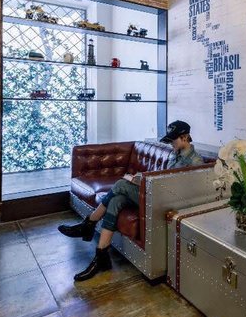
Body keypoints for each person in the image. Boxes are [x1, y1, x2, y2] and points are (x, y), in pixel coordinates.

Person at [58, 120, 204, 281]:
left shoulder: (195, 162)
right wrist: (140, 178)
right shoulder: (175, 154)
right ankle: (101, 256)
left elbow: (185, 192)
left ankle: (89, 223)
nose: (171, 144)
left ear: (185, 137)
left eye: (173, 140)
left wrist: (144, 182)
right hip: (155, 193)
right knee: (116, 201)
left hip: (164, 201)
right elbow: (162, 177)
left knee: (121, 184)